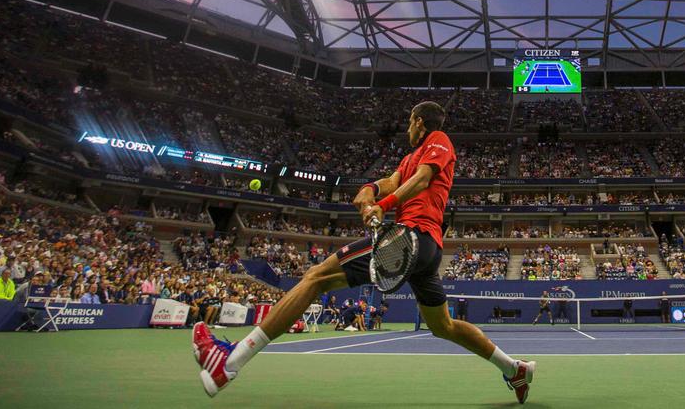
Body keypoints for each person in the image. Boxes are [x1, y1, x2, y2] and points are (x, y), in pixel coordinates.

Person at [192, 102, 536, 402]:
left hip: (411, 237)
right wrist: (370, 188)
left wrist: (382, 206)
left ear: (419, 122)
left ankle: (230, 363)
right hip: (424, 250)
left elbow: (421, 179)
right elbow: (394, 180)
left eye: (410, 123)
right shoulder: (409, 156)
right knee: (443, 326)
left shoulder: (438, 140)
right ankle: (514, 369)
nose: (408, 129)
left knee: (316, 277)